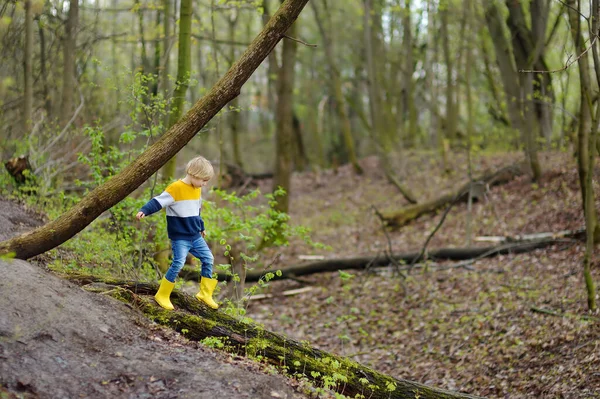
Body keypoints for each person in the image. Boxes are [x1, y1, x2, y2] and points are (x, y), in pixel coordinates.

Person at [136, 156, 219, 310]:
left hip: (195, 235)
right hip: (180, 237)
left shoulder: (197, 189)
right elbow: (158, 201)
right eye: (204, 180)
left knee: (208, 258)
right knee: (178, 263)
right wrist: (144, 211)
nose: (205, 184)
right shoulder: (175, 188)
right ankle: (162, 294)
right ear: (194, 175)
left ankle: (205, 294)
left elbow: (196, 211)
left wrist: (201, 226)